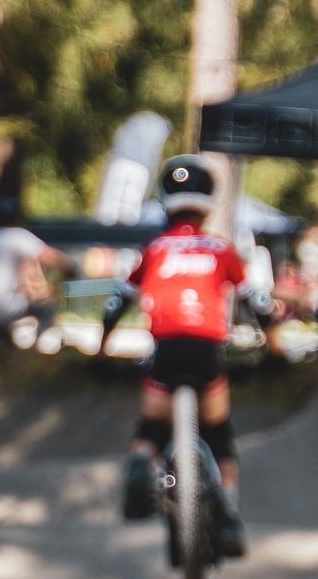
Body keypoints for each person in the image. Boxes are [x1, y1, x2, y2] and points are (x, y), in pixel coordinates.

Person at [105, 156, 272, 557]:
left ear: (165, 200)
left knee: (150, 429)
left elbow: (117, 303)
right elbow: (258, 302)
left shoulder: (154, 250)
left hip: (165, 350)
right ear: (209, 202)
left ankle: (141, 459)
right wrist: (276, 348)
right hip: (207, 352)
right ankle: (229, 518)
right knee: (220, 439)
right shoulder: (221, 250)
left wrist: (100, 347)